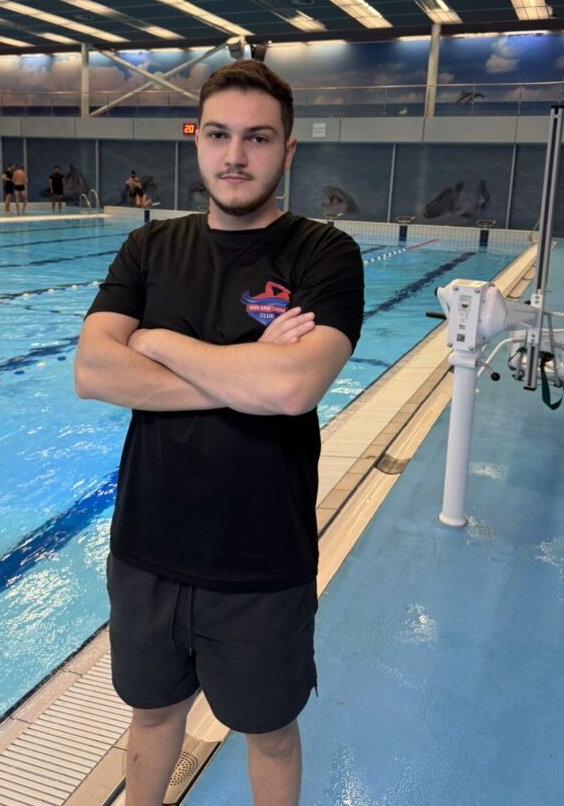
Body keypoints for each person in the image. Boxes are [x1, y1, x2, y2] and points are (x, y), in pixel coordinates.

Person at [75, 61, 364, 806]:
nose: (236, 155)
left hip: (262, 564)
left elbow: (293, 386)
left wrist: (161, 342)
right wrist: (244, 377)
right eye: (219, 135)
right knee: (152, 714)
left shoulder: (324, 256)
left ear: (288, 150)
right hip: (146, 552)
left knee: (268, 733)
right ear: (196, 140)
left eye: (258, 138)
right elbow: (94, 372)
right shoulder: (149, 249)